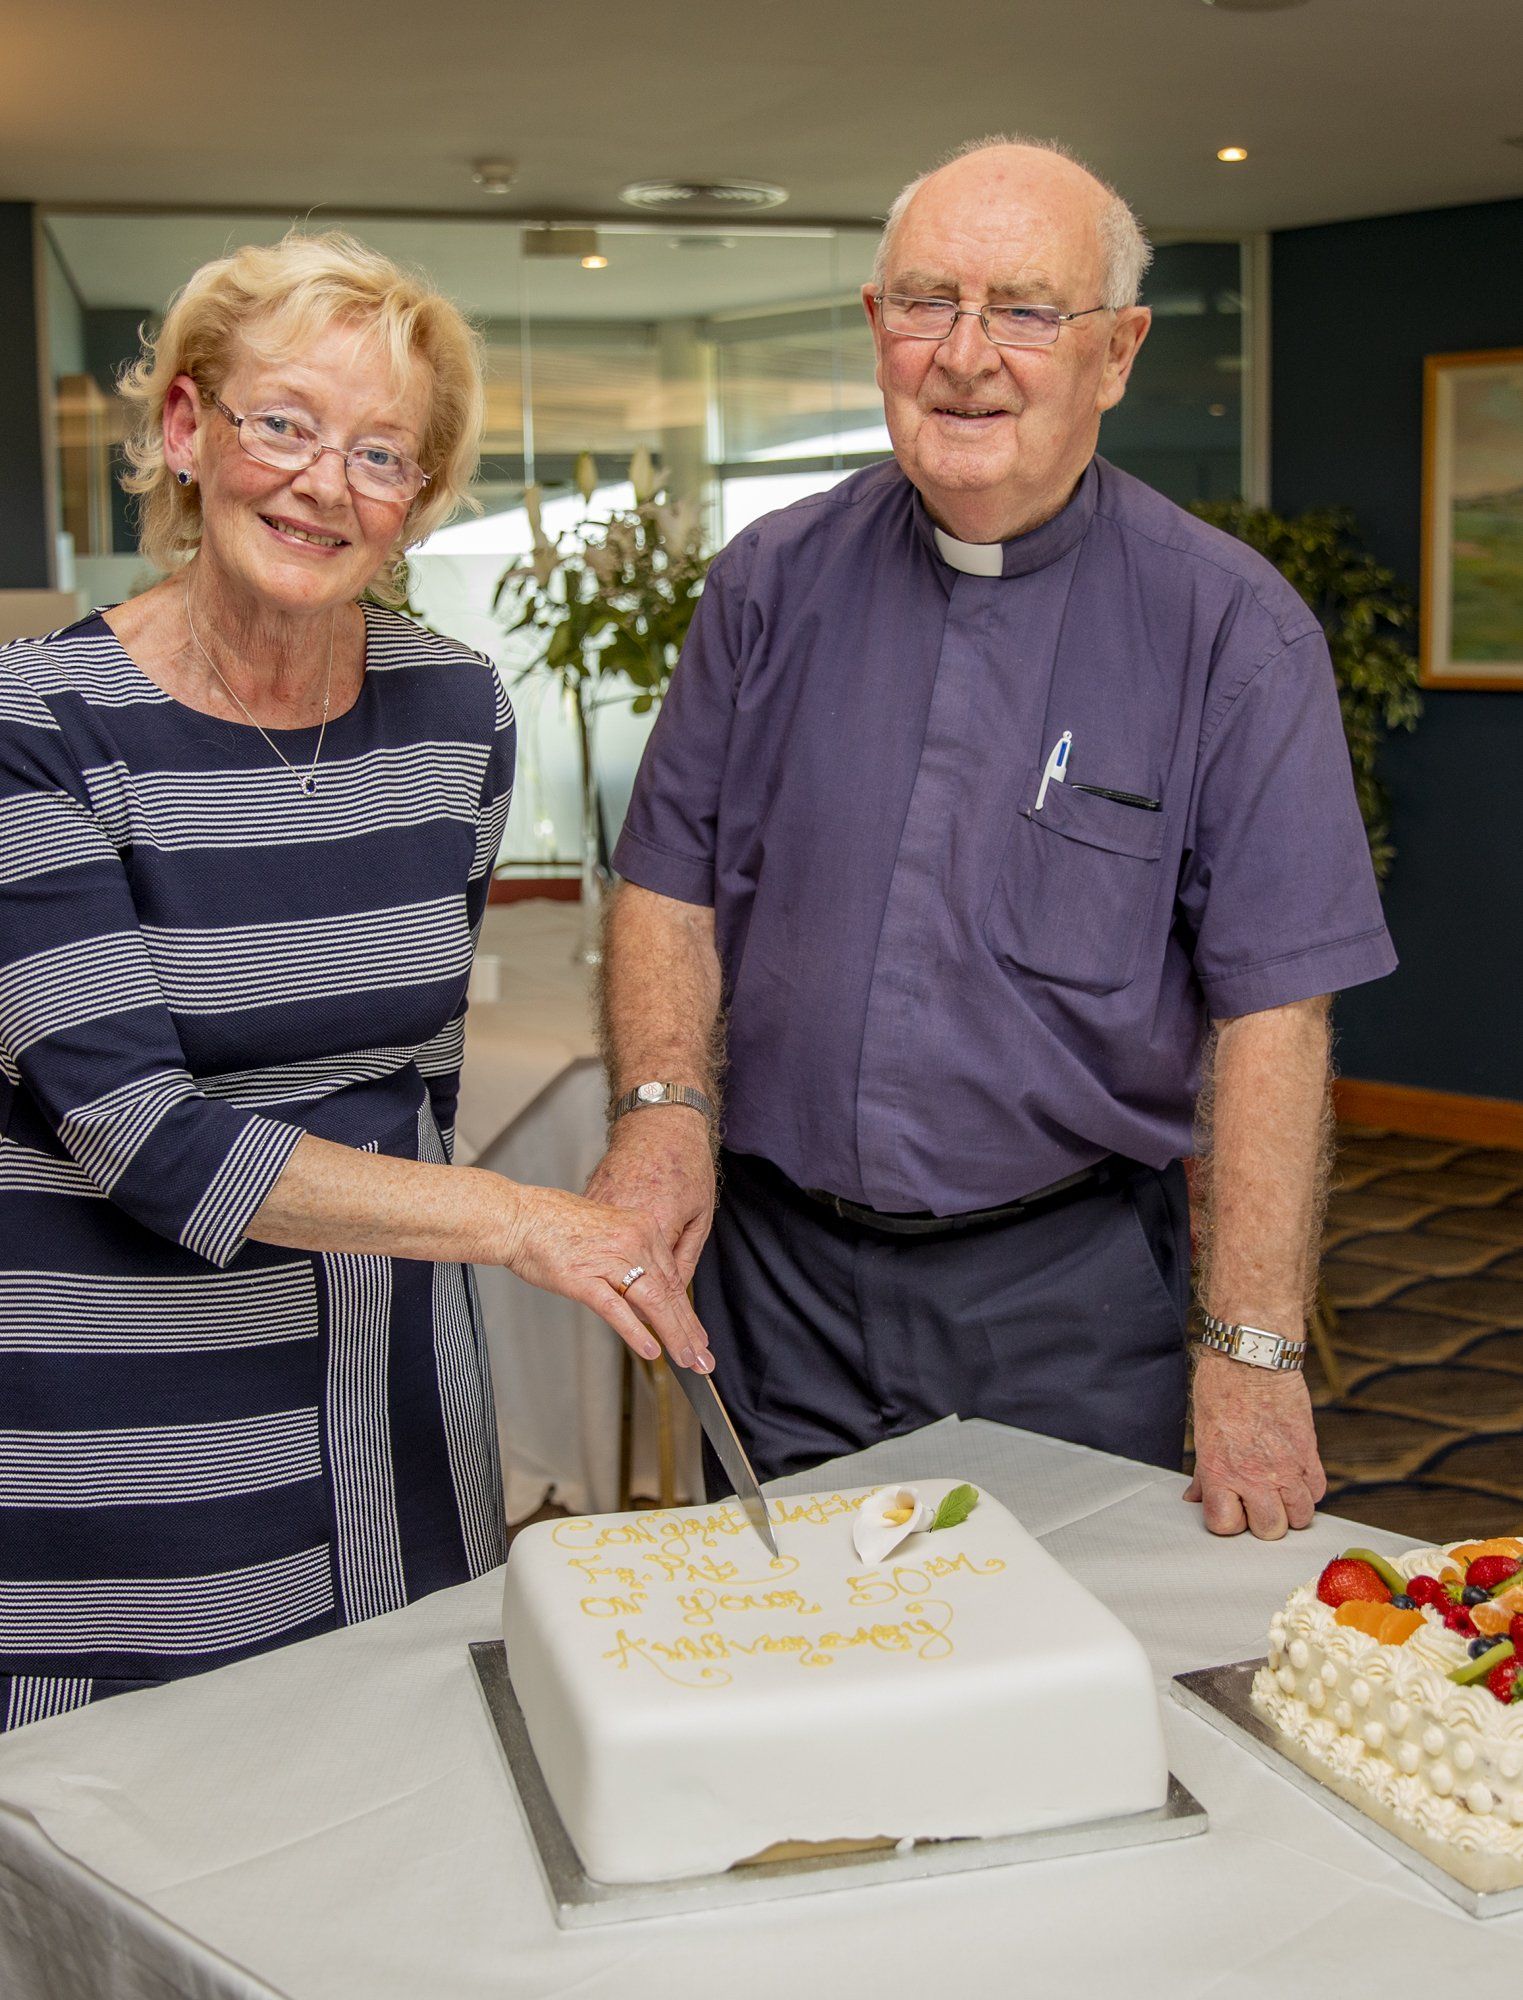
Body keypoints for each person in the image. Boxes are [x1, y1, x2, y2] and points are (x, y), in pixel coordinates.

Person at [590, 137, 1396, 1541]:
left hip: (1063, 1304)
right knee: (788, 1677)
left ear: (1120, 352)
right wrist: (663, 1112)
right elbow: (669, 884)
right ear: (875, 328)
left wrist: (1254, 1346)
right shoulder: (768, 585)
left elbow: (1279, 1013)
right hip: (775, 1291)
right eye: (926, 303)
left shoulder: (1234, 633)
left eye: (1026, 310)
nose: (967, 356)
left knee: (1060, 1709)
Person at [0, 232, 709, 1731]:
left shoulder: (456, 710)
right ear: (188, 432)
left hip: (399, 1397)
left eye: (383, 452)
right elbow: (137, 1129)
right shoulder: (38, 725)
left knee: (402, 1805)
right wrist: (525, 1222)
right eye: (286, 424)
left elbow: (421, 1082)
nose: (327, 482)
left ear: (417, 501)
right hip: (125, 1421)